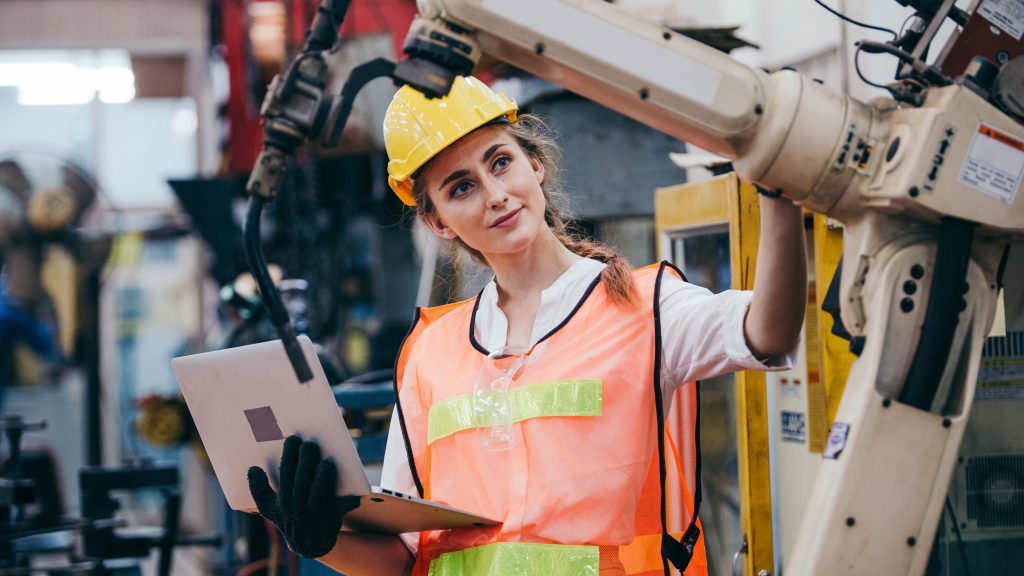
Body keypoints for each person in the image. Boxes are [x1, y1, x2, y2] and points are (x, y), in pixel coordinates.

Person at [247, 75, 806, 576]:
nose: (495, 195)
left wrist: (779, 196)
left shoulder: (646, 308)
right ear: (439, 221)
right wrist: (319, 542)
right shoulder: (429, 354)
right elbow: (404, 561)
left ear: (534, 164)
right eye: (461, 187)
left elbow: (770, 332)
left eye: (500, 162)